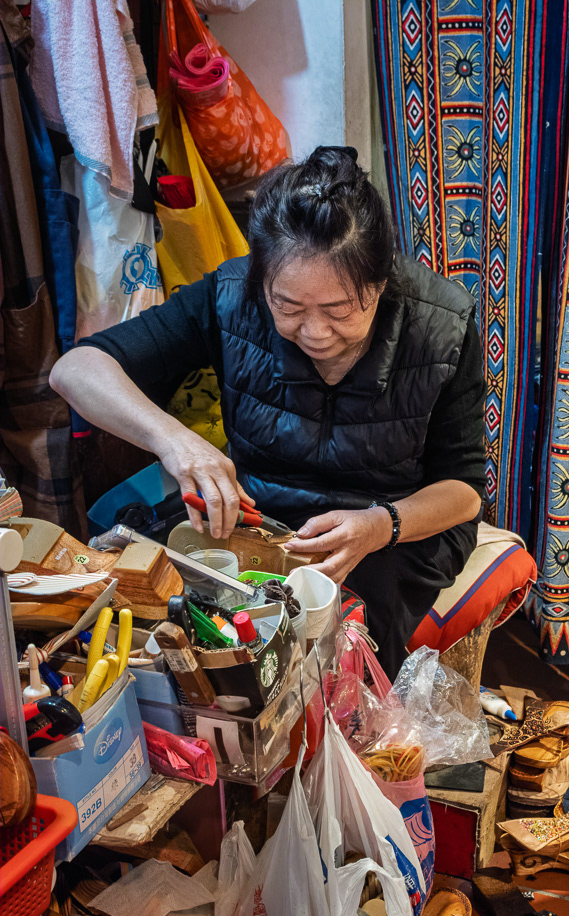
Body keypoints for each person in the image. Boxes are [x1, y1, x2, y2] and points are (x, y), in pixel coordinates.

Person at [51, 146, 486, 677]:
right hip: (262, 512)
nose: (315, 332)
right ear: (263, 284)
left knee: (340, 637)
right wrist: (177, 442)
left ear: (380, 284)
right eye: (288, 307)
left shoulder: (442, 324)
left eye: (339, 310)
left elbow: (463, 491)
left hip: (391, 526)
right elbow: (75, 370)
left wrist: (378, 525)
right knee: (166, 611)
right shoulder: (231, 297)